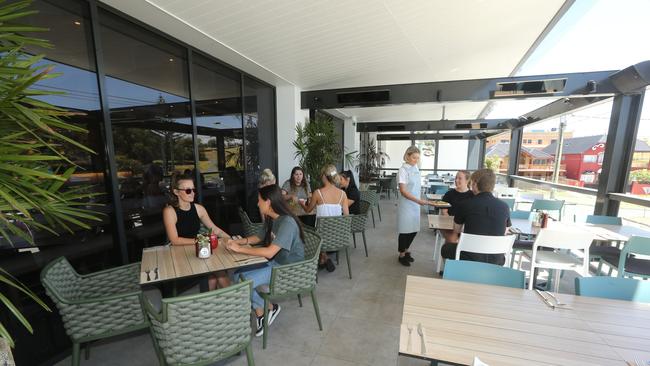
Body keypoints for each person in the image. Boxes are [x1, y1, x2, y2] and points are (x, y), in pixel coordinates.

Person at [226, 184, 305, 337]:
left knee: (243, 284)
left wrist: (239, 249)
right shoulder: (272, 218)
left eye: (259, 200)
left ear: (268, 202)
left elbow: (269, 252)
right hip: (277, 263)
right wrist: (238, 242)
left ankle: (266, 309)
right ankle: (265, 309)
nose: (257, 203)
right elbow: (259, 237)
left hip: (288, 270)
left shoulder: (287, 222)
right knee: (237, 274)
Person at [162, 173, 230, 290]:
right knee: (215, 275)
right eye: (188, 191)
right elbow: (175, 240)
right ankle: (233, 300)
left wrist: (230, 238)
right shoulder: (169, 211)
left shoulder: (199, 209)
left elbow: (214, 229)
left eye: (193, 189)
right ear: (176, 192)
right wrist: (202, 240)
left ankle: (225, 301)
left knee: (217, 273)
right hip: (180, 255)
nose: (193, 193)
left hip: (198, 250)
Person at [440, 169, 512, 266]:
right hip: (496, 259)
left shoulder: (465, 204)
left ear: (474, 184)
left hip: (469, 256)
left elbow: (457, 230)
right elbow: (505, 231)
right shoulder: (504, 206)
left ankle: (455, 273)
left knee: (446, 249)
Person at [301, 164, 349, 272]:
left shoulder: (318, 193)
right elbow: (346, 216)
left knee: (305, 228)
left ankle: (322, 257)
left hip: (321, 237)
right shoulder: (343, 194)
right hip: (338, 235)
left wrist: (301, 204)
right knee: (321, 229)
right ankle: (323, 258)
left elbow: (308, 210)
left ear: (323, 176)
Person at [396, 146, 432, 266]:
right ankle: (402, 255)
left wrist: (418, 201)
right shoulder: (403, 170)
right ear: (407, 156)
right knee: (405, 230)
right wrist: (418, 201)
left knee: (414, 230)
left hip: (415, 204)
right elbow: (403, 191)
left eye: (417, 158)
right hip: (407, 204)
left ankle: (406, 250)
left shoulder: (415, 167)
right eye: (413, 157)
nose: (415, 160)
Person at [440, 170, 474, 243]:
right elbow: (444, 211)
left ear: (467, 180)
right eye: (456, 178)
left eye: (459, 178)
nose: (456, 180)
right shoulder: (449, 194)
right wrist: (454, 225)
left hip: (467, 228)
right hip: (451, 226)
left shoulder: (473, 195)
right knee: (452, 244)